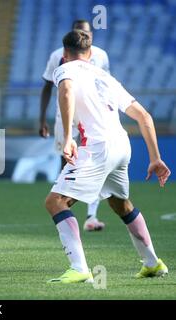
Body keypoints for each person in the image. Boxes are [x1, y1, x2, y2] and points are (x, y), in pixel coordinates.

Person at [45, 30, 171, 283]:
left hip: (97, 148)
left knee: (56, 201)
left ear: (65, 54)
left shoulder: (65, 69)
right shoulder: (106, 77)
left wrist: (68, 137)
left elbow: (67, 91)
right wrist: (155, 158)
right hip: (122, 146)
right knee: (119, 203)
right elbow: (144, 117)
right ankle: (152, 263)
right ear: (90, 54)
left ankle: (79, 268)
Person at [39, 20, 109, 232]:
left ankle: (91, 216)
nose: (84, 37)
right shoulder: (56, 56)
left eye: (87, 33)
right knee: (67, 163)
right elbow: (48, 86)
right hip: (65, 117)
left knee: (95, 161)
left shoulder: (101, 56)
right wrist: (41, 119)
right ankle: (64, 211)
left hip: (92, 117)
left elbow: (105, 86)